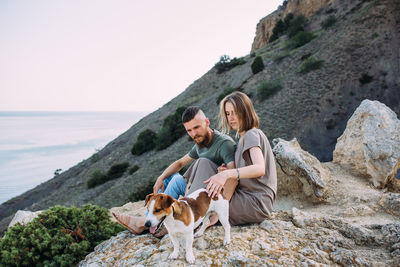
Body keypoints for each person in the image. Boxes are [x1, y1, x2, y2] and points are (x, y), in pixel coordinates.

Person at [112, 106, 237, 235]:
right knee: (172, 178)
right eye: (189, 130)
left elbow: (233, 177)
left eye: (196, 127)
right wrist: (160, 178)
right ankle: (151, 218)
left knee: (197, 165)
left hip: (209, 197)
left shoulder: (224, 144)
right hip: (200, 186)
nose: (194, 134)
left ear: (207, 122)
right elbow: (180, 162)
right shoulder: (201, 143)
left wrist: (220, 208)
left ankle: (148, 223)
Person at [203, 91, 277, 225]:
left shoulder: (251, 134)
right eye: (227, 113)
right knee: (203, 165)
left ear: (245, 111)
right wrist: (224, 172)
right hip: (247, 199)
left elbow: (260, 168)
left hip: (255, 203)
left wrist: (227, 174)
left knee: (204, 206)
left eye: (234, 112)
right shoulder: (241, 141)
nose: (230, 118)